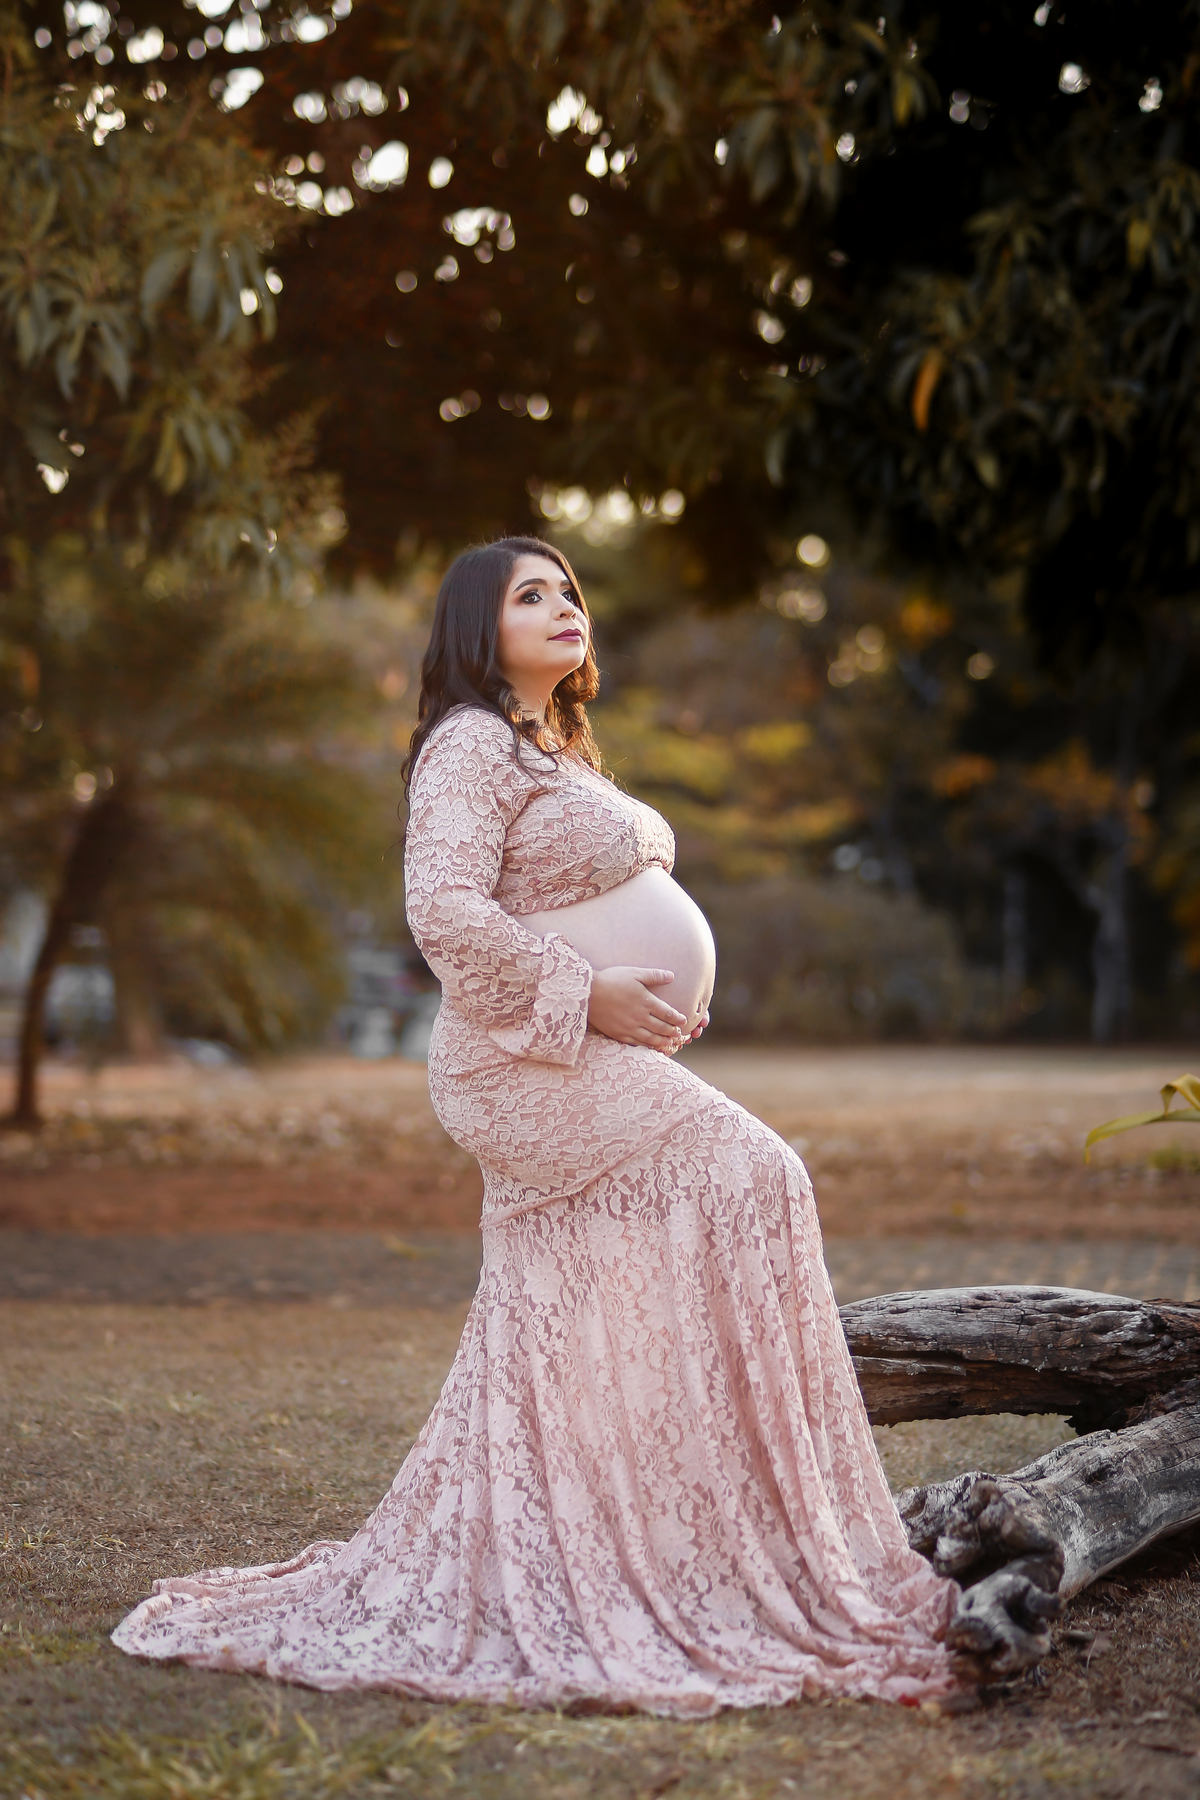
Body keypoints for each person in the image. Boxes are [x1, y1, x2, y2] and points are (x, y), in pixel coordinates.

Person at [112, 537, 962, 1715]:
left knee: (596, 1274)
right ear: (478, 627)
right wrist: (590, 992)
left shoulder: (551, 749)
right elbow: (441, 911)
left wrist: (644, 994)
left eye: (570, 589)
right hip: (516, 1061)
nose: (566, 606)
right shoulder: (466, 744)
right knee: (756, 1174)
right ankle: (719, 1530)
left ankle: (664, 1532)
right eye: (531, 594)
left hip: (581, 1050)